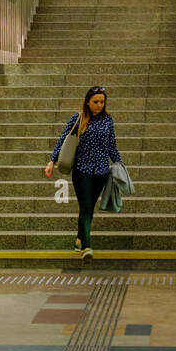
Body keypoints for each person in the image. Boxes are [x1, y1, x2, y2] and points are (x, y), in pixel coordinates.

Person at [44, 86, 121, 259]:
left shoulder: (108, 120)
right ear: (87, 102)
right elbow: (62, 140)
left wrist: (119, 164)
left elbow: (112, 146)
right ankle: (87, 247)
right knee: (86, 207)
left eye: (102, 102)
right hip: (82, 171)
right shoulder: (77, 119)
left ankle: (79, 238)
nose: (99, 105)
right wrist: (51, 161)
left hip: (101, 172)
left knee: (88, 208)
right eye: (95, 102)